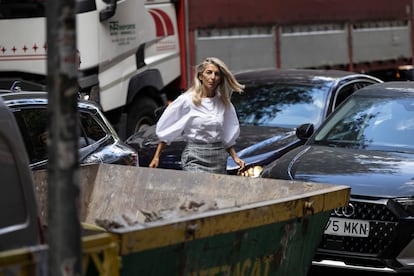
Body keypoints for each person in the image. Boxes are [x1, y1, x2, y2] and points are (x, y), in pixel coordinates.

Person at [149, 57, 246, 174]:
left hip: (218, 157)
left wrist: (235, 157)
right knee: (197, 189)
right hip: (195, 156)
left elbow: (226, 134)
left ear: (220, 79)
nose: (212, 77)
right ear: (200, 76)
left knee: (214, 191)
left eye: (217, 74)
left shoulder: (224, 102)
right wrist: (156, 157)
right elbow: (168, 127)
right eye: (209, 72)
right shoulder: (187, 100)